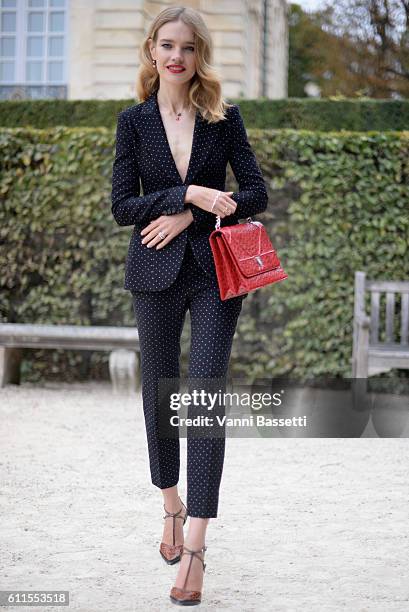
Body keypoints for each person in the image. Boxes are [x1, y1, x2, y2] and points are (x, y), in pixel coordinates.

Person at [111, 5, 268, 606]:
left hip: (213, 273)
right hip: (153, 271)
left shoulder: (224, 118)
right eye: (167, 45)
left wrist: (193, 211)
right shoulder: (133, 122)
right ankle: (170, 504)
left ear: (200, 56)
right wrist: (184, 193)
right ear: (152, 50)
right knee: (158, 389)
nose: (177, 56)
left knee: (202, 393)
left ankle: (197, 546)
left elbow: (255, 191)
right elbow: (123, 205)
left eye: (189, 47)